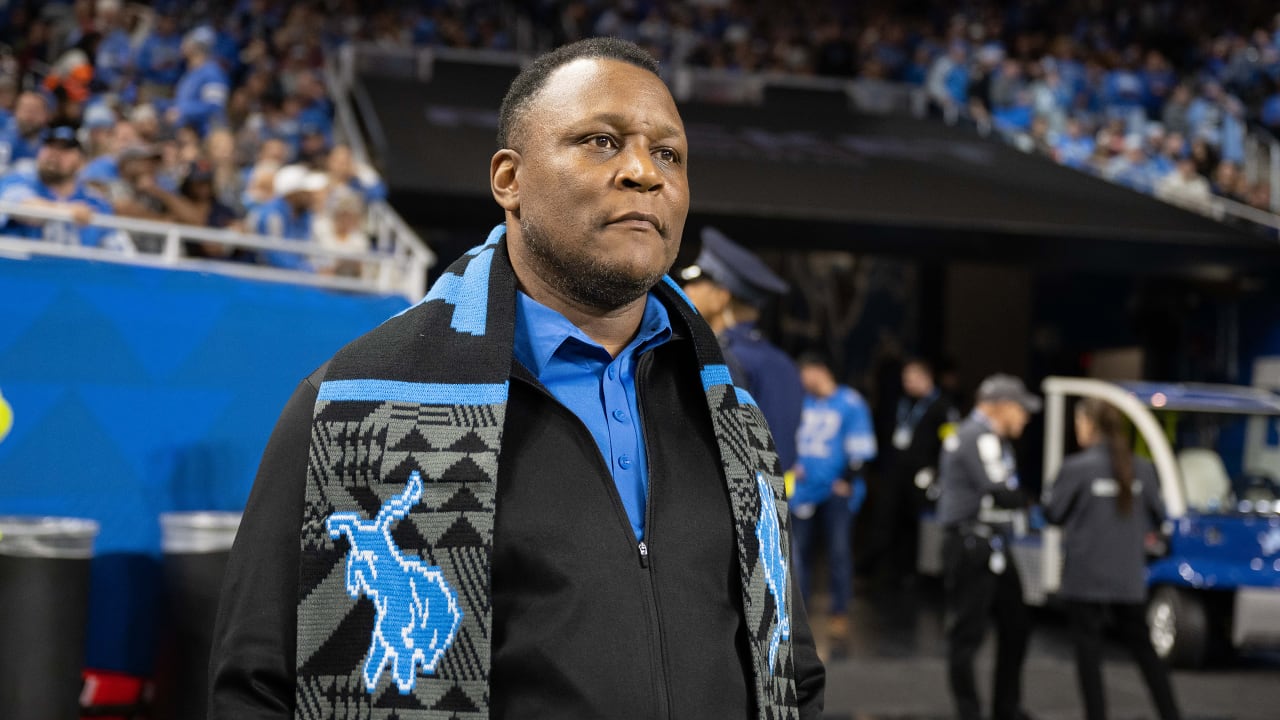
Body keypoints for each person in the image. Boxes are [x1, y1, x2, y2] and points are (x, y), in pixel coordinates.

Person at [208, 37, 824, 719]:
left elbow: (789, 668)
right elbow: (258, 689)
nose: (644, 173)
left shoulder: (727, 409)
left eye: (669, 154)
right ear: (510, 180)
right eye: (600, 141)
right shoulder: (356, 402)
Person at [1044, 398, 1182, 720]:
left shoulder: (1076, 467)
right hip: (1127, 579)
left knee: (1088, 657)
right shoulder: (1143, 468)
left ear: (1089, 425)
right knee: (1145, 653)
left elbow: (1053, 514)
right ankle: (1171, 714)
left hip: (1084, 579)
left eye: (1079, 422)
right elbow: (1158, 516)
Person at [936, 373, 1040, 720]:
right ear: (1002, 407)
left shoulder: (985, 437)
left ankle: (1005, 708)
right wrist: (1035, 503)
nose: (1025, 417)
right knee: (967, 636)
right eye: (1021, 410)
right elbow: (1001, 491)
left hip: (988, 542)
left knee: (1016, 626)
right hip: (972, 545)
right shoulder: (979, 437)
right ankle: (971, 712)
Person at [677, 226, 805, 473]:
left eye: (697, 283)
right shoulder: (779, 360)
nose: (687, 291)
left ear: (720, 297)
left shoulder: (720, 358)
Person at [791, 354, 876, 641]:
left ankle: (840, 610)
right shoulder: (803, 400)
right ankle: (798, 613)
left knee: (838, 551)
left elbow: (862, 448)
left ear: (818, 370)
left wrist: (848, 480)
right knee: (798, 553)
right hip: (803, 490)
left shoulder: (850, 402)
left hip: (834, 491)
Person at [871, 357, 958, 589]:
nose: (906, 384)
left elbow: (951, 444)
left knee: (914, 524)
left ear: (925, 378)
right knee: (887, 519)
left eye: (911, 379)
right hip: (897, 471)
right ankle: (885, 572)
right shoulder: (903, 402)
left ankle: (911, 574)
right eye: (904, 380)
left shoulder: (943, 407)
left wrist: (937, 472)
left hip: (922, 476)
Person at [0, 126, 113, 247]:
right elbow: (23, 208)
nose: (54, 154)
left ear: (81, 161)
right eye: (49, 146)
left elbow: (118, 248)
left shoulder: (95, 201)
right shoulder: (19, 179)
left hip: (75, 265)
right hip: (19, 263)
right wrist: (68, 211)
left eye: (65, 149)